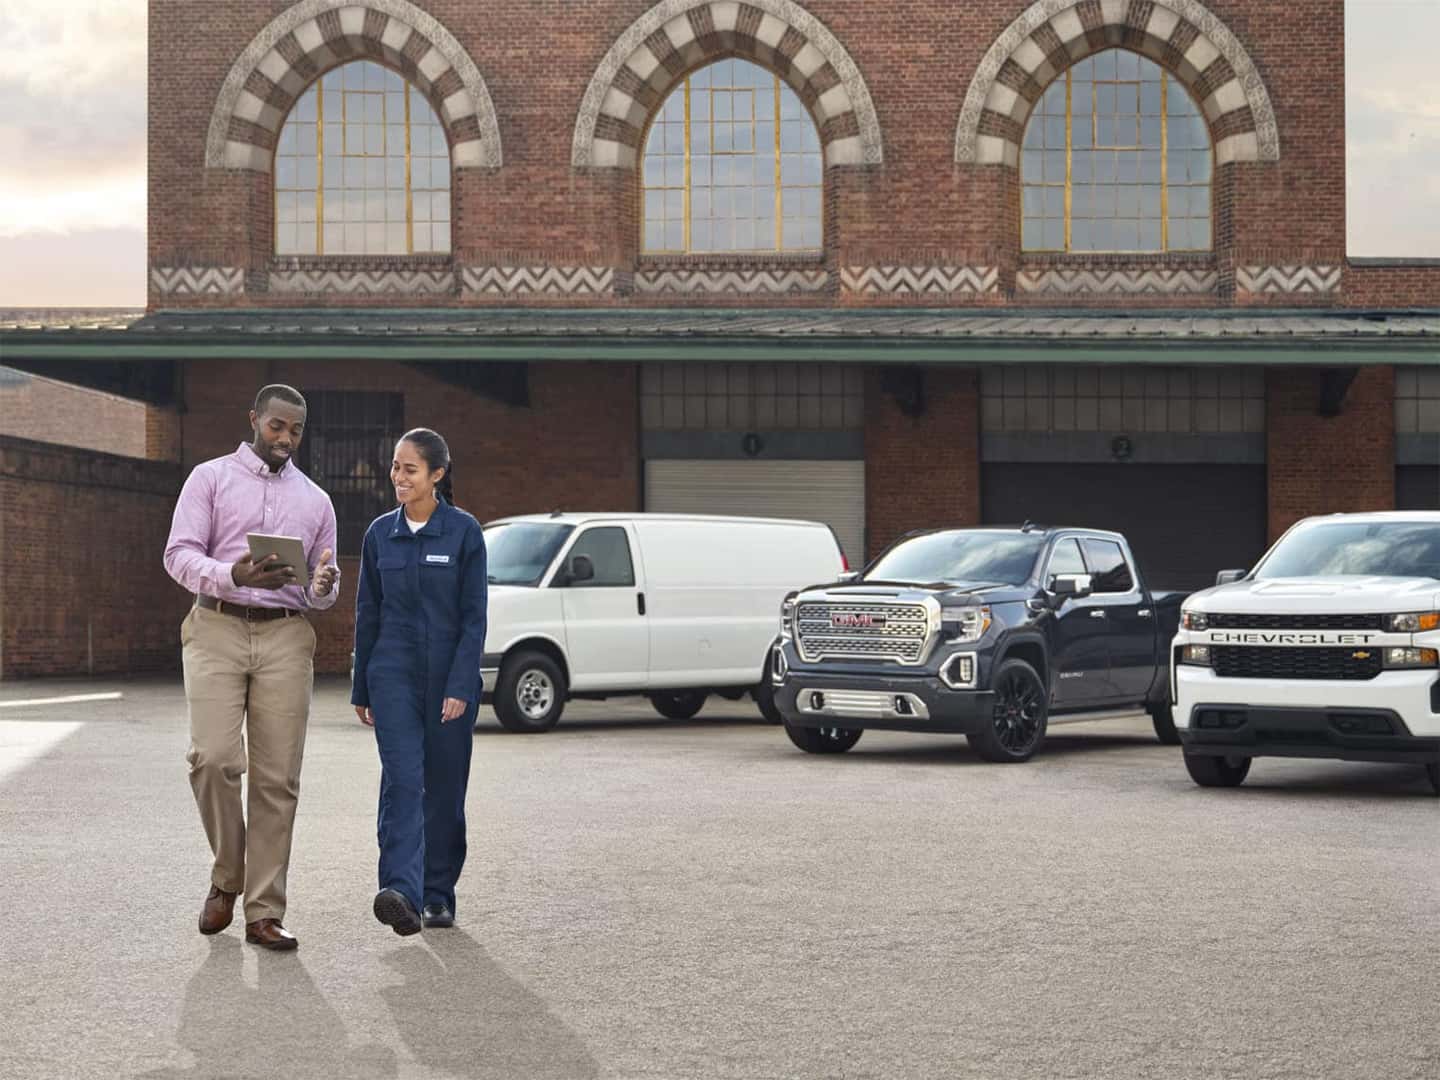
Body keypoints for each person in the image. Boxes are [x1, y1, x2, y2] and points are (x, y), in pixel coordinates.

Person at [163, 384, 340, 951]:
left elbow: (320, 587)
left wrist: (322, 586)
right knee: (211, 758)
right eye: (277, 427)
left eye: (296, 431)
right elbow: (178, 554)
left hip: (287, 635)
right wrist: (232, 575)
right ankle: (227, 876)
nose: (286, 439)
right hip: (216, 624)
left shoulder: (316, 501)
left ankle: (264, 912)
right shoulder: (209, 478)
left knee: (277, 778)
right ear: (255, 420)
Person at [352, 428, 487, 934]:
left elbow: (474, 618)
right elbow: (368, 613)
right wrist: (361, 686)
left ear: (437, 474)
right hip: (392, 674)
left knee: (445, 790)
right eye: (394, 467)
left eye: (409, 469)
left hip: (448, 677)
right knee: (404, 780)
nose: (398, 477)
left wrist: (459, 686)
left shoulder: (464, 533)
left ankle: (437, 893)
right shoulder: (378, 533)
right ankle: (400, 893)